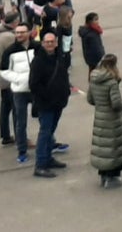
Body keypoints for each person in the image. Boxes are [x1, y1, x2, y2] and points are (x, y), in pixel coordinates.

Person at [29, 31, 72, 178]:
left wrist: (65, 92)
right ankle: (40, 165)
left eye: (52, 42)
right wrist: (48, 97)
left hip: (58, 103)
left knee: (50, 132)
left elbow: (63, 76)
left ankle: (48, 159)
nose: (49, 44)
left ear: (56, 43)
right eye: (47, 42)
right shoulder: (38, 61)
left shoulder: (59, 57)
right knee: (45, 133)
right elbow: (34, 85)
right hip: (46, 104)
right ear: (42, 44)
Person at [87, 53, 122, 188]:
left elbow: (90, 99)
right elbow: (116, 103)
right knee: (113, 148)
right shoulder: (112, 82)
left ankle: (104, 176)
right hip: (112, 120)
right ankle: (113, 177)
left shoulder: (94, 79)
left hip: (99, 117)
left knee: (102, 148)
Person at [0, 24, 37, 164]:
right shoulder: (10, 51)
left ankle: (50, 143)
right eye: (17, 33)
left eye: (22, 32)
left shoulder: (37, 47)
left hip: (36, 90)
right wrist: (19, 79)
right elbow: (3, 70)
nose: (19, 35)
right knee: (20, 122)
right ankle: (22, 150)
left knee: (43, 118)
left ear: (29, 33)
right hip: (19, 91)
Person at [0, 9, 21, 146]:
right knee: (16, 109)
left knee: (5, 107)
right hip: (9, 79)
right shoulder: (8, 37)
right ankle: (20, 136)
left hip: (1, 77)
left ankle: (5, 135)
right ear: (14, 22)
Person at [80, 12, 106, 84]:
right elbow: (96, 48)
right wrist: (102, 56)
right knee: (96, 75)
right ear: (90, 21)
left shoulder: (92, 31)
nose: (97, 21)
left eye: (97, 19)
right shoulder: (91, 34)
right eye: (95, 19)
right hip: (95, 58)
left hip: (91, 58)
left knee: (92, 73)